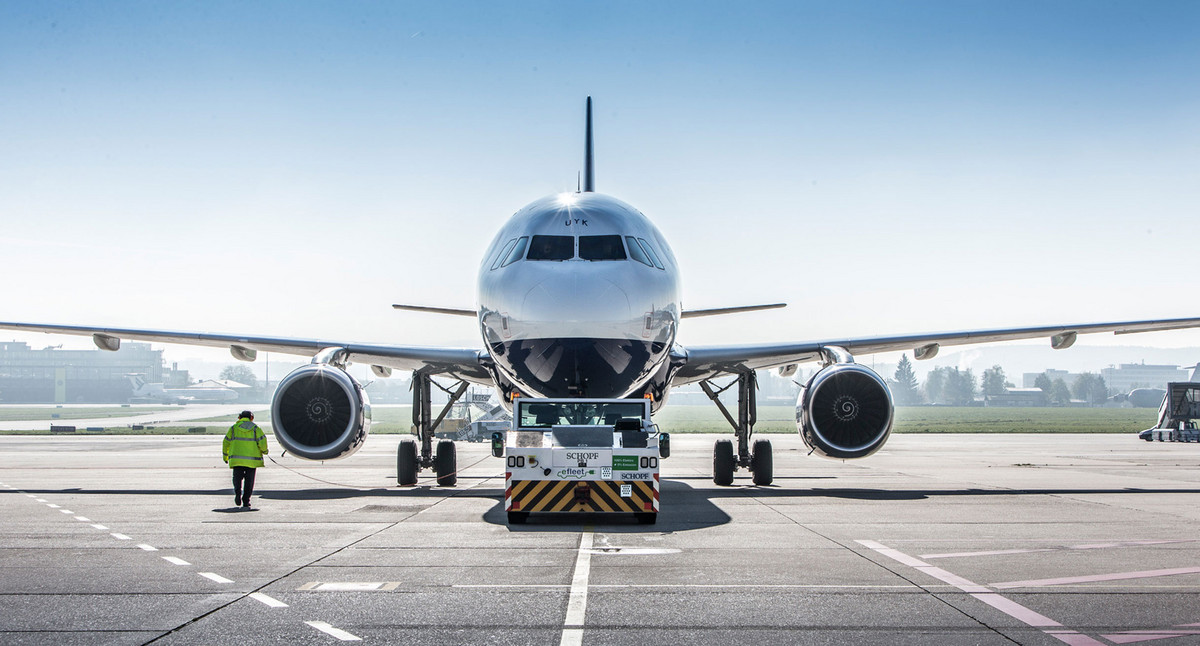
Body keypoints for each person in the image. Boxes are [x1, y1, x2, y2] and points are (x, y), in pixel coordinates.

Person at [223, 410, 268, 509]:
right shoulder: (256, 429)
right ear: (251, 418)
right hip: (251, 460)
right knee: (249, 481)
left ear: (239, 418)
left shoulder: (233, 429)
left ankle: (237, 494)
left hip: (237, 460)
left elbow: (226, 442)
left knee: (237, 479)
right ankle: (246, 500)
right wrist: (265, 451)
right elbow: (262, 441)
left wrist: (225, 456)